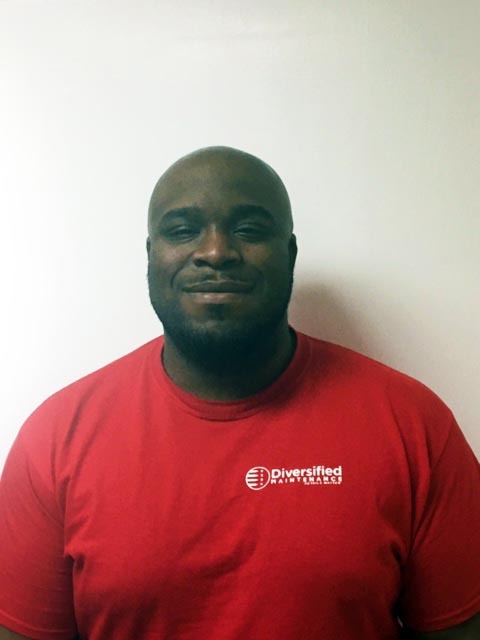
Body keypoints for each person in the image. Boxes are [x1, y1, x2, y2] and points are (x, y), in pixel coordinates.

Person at [0, 146, 478, 640]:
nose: (215, 252)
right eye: (182, 230)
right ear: (150, 255)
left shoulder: (412, 425)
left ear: (290, 254)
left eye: (248, 229)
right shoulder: (55, 440)